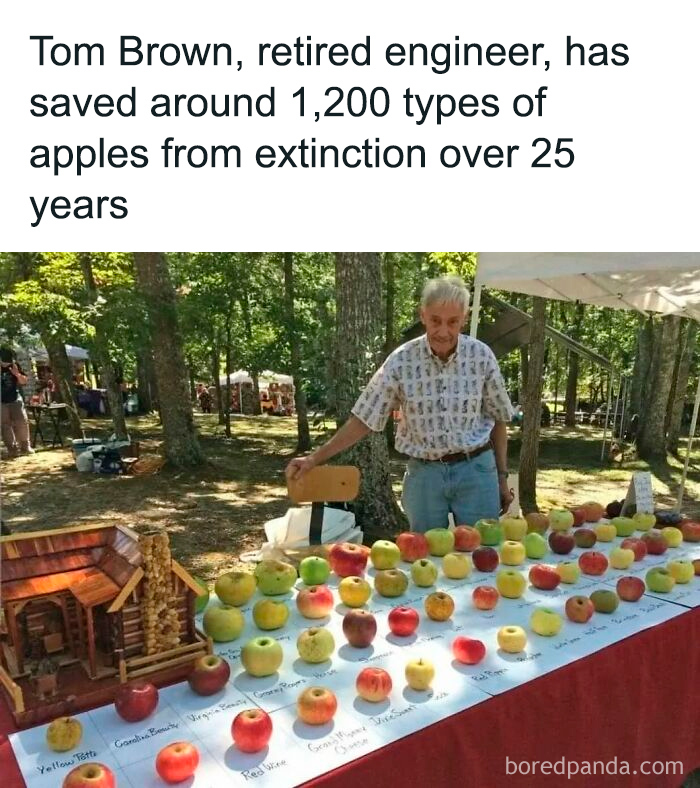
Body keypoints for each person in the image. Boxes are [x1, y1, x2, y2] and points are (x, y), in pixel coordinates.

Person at [286, 276, 514, 529]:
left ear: (465, 318)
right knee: (424, 561)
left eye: (453, 322)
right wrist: (314, 459)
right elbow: (364, 418)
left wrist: (502, 478)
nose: (443, 331)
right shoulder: (401, 361)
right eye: (435, 321)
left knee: (481, 555)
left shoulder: (481, 356)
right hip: (425, 475)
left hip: (477, 471)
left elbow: (499, 420)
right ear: (423, 315)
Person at [1, 346, 34, 457]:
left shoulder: (15, 366)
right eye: (4, 362)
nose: (6, 364)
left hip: (15, 398)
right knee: (5, 425)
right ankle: (11, 449)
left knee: (22, 422)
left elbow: (24, 382)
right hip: (1, 401)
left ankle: (25, 446)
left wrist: (16, 374)